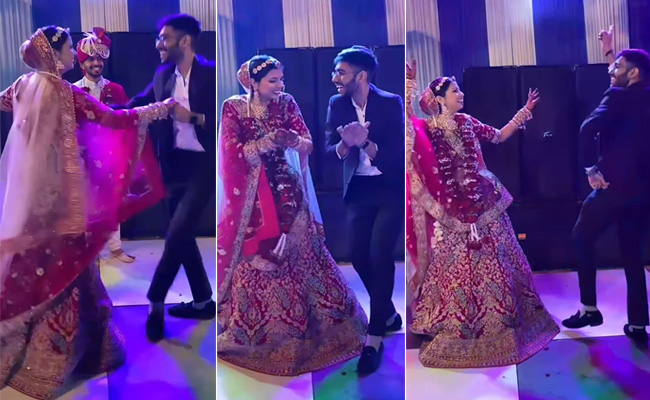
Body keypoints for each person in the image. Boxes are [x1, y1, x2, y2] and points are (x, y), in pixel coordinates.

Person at [0, 26, 171, 399]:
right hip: (65, 199)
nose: (70, 55)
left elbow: (4, 104)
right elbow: (113, 119)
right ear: (54, 54)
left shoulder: (21, 86)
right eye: (66, 48)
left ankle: (27, 344)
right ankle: (62, 354)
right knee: (71, 265)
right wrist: (159, 109)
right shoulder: (66, 91)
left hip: (31, 198)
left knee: (36, 263)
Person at [216, 55, 366, 375]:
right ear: (253, 82)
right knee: (262, 261)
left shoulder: (286, 103)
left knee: (306, 257)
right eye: (273, 80)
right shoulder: (234, 108)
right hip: (254, 202)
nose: (280, 86)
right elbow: (231, 154)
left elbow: (308, 144)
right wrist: (266, 142)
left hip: (290, 195)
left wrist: (293, 140)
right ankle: (262, 334)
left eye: (281, 79)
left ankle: (316, 329)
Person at [405, 59, 559, 368]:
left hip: (485, 201)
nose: (460, 94)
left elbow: (499, 135)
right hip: (452, 209)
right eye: (454, 91)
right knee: (455, 265)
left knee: (499, 259)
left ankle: (502, 319)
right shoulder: (428, 130)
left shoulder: (467, 121)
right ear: (439, 99)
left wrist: (524, 111)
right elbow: (408, 129)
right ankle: (459, 321)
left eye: (459, 90)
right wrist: (409, 86)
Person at [118, 14, 216, 342]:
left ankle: (155, 302)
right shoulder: (162, 75)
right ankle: (203, 302)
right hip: (173, 167)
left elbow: (223, 121)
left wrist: (193, 117)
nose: (158, 44)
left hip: (203, 167)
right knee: (181, 235)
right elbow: (140, 103)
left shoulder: (211, 73)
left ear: (184, 41)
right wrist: (101, 113)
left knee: (176, 234)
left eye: (164, 38)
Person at [325, 46, 404, 375]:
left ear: (361, 76)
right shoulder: (337, 103)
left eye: (341, 72)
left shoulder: (390, 102)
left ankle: (373, 338)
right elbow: (329, 149)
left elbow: (399, 152)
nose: (335, 78)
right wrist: (346, 144)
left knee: (379, 253)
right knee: (358, 255)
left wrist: (366, 143)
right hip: (359, 188)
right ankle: (388, 313)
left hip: (389, 187)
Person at [561, 49, 650, 344]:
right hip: (642, 193)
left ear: (633, 73)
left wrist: (591, 170)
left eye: (617, 66)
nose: (611, 70)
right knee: (632, 255)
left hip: (612, 187)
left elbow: (587, 129)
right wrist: (612, 53)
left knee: (580, 237)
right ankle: (638, 325)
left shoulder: (617, 96)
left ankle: (589, 309)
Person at [74, 27, 135, 263]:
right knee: (86, 203)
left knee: (112, 202)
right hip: (82, 155)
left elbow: (127, 122)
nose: (96, 63)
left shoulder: (116, 90)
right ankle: (91, 251)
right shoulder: (74, 90)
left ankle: (116, 247)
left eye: (100, 58)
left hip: (111, 154)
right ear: (82, 63)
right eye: (91, 59)